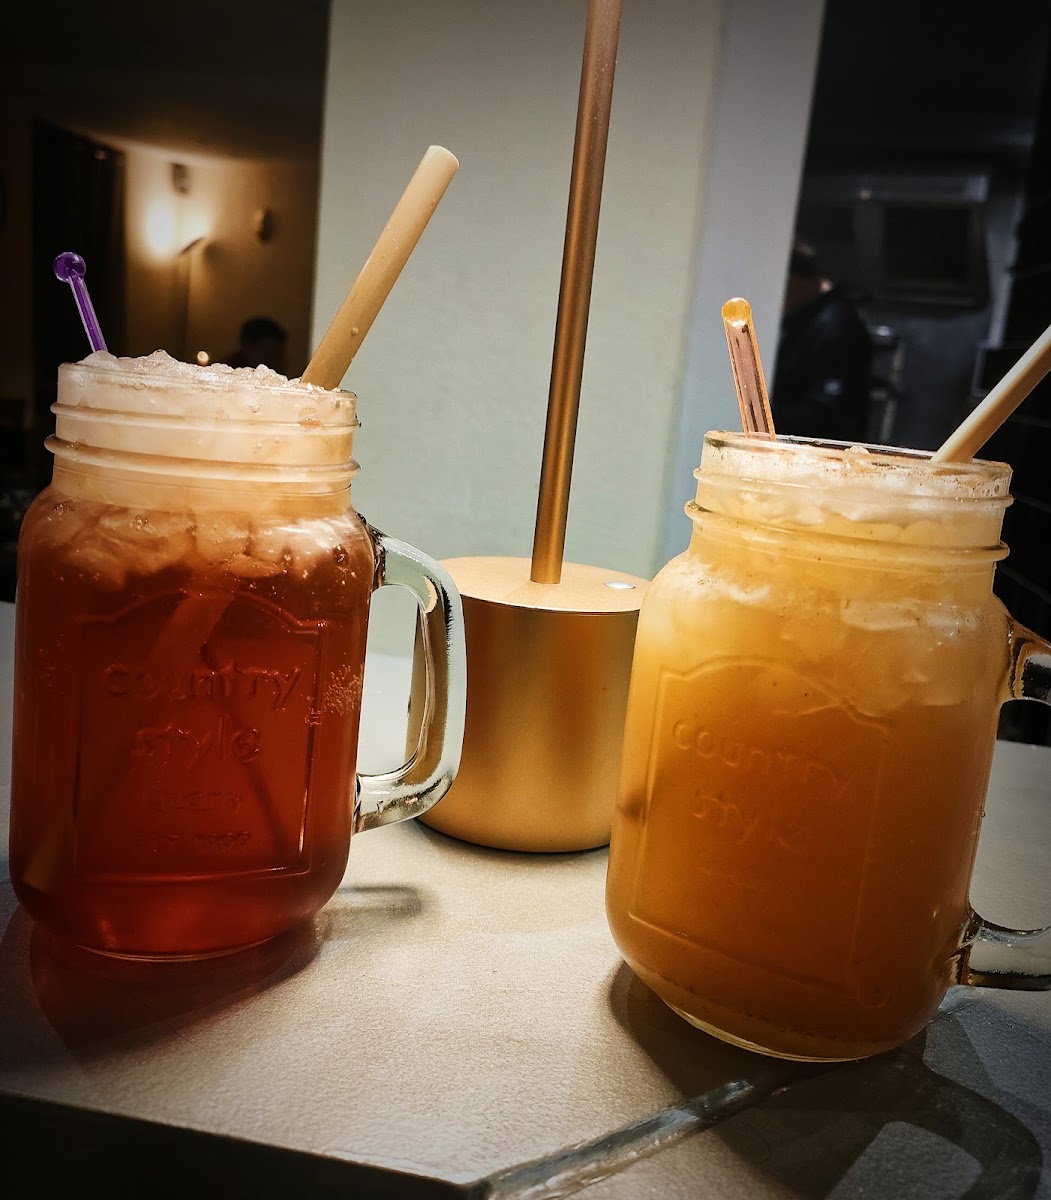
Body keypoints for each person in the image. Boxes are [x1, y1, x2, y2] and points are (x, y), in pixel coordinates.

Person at [770, 243, 872, 443]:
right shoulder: (804, 319)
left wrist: (767, 419)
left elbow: (828, 412)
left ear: (794, 280)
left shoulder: (836, 324)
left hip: (822, 452)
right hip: (796, 446)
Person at [219, 316, 289, 374]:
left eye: (280, 357)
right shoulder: (222, 376)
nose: (277, 363)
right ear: (248, 348)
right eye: (269, 355)